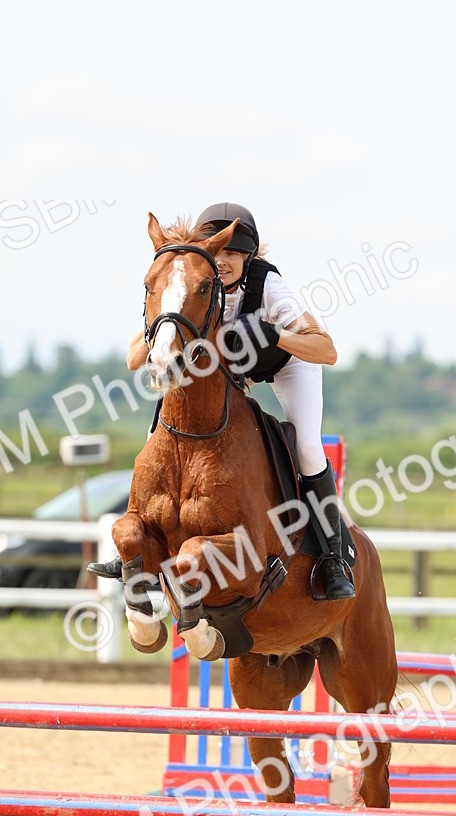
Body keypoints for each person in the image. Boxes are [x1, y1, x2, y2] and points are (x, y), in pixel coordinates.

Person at [90, 202, 354, 601]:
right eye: (220, 253)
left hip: (286, 362)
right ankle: (139, 544)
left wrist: (274, 335)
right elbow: (133, 358)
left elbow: (326, 350)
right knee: (159, 427)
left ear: (248, 257)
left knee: (306, 445)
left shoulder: (269, 288)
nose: (225, 262)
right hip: (233, 373)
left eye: (233, 254)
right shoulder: (196, 282)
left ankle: (334, 557)